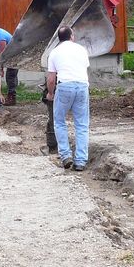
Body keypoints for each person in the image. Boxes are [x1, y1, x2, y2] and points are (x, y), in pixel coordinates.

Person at [45, 26, 90, 171]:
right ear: (72, 36)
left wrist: (50, 93)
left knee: (59, 122)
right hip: (82, 86)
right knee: (82, 125)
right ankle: (81, 161)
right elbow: (84, 68)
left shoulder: (54, 52)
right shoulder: (81, 50)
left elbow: (51, 79)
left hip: (64, 87)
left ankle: (65, 156)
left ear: (59, 38)